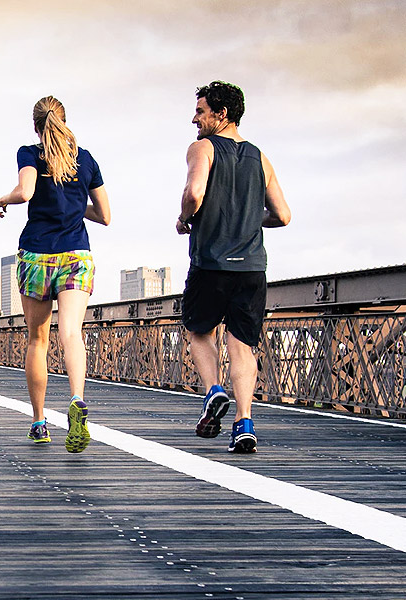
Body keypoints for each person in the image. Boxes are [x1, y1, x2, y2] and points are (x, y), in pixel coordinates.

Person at [0, 95, 110, 453]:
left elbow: (25, 192)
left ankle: (40, 422)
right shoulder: (85, 159)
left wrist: (1, 200)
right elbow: (105, 215)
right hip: (76, 254)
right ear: (63, 119)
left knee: (37, 341)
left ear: (35, 126)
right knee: (71, 333)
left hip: (37, 256)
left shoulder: (30, 153)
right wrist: (75, 206)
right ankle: (76, 398)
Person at [176, 81, 291, 453]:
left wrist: (185, 218)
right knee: (242, 347)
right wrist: (248, 220)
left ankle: (213, 391)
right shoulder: (261, 158)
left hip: (211, 262)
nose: (194, 118)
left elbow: (194, 193)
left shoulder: (203, 148)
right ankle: (244, 423)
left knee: (199, 331)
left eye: (200, 111)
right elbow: (283, 216)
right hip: (252, 268)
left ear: (220, 114)